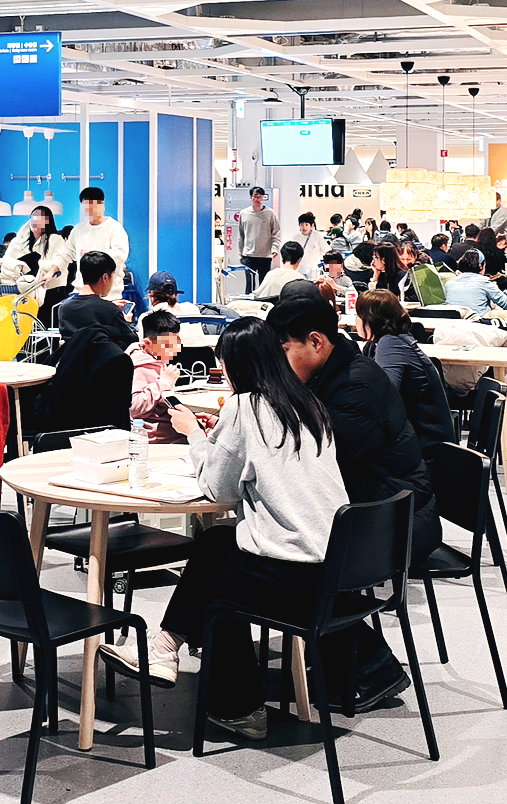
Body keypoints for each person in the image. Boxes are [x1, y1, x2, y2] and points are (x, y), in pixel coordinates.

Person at [99, 317, 347, 739]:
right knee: (216, 542)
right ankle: (163, 649)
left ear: (236, 366)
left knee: (220, 591)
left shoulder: (243, 407)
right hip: (338, 565)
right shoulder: (308, 404)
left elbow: (217, 488)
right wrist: (220, 440)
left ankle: (240, 709)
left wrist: (194, 435)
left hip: (293, 575)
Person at [269, 293, 437, 708]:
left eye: (284, 351)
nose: (280, 364)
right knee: (272, 544)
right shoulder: (334, 373)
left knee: (282, 556)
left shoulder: (355, 385)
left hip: (391, 521)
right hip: (375, 506)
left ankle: (371, 669)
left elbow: (321, 462)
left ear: (316, 341)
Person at [355, 291, 452, 450]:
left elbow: (383, 394)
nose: (356, 320)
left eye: (358, 315)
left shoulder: (391, 344)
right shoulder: (390, 341)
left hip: (427, 449)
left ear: (370, 319)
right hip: (422, 441)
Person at [57, 251, 136, 350]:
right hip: (103, 359)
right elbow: (131, 341)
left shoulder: (64, 308)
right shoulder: (110, 310)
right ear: (105, 277)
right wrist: (126, 321)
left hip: (71, 359)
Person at [130, 309, 187, 442]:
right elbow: (134, 407)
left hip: (166, 430)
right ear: (148, 343)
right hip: (155, 436)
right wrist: (164, 382)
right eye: (167, 345)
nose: (174, 349)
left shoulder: (156, 360)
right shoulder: (140, 366)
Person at [69, 187, 131, 301]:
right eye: (86, 207)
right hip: (81, 292)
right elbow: (66, 253)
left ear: (102, 205)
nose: (89, 210)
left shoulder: (115, 228)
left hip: (109, 295)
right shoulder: (78, 230)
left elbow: (120, 254)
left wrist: (94, 255)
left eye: (92, 206)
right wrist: (53, 269)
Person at [444, 248, 507, 315]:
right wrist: (504, 293)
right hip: (478, 322)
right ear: (481, 266)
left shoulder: (449, 283)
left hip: (454, 322)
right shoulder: (484, 282)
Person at [235, 186, 281, 287]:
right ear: (251, 197)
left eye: (260, 197)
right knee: (249, 285)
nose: (258, 199)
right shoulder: (244, 213)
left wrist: (274, 249)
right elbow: (241, 235)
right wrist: (240, 253)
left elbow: (276, 233)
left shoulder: (270, 213)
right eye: (255, 196)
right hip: (248, 255)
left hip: (265, 256)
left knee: (263, 285)